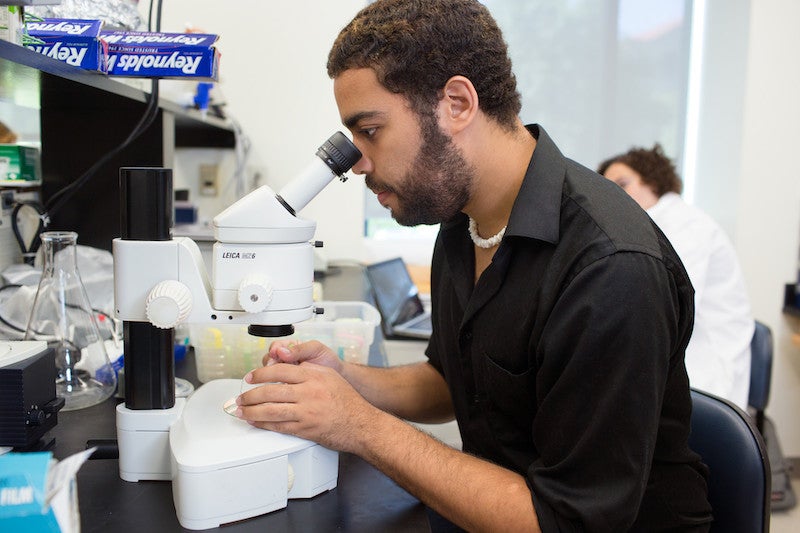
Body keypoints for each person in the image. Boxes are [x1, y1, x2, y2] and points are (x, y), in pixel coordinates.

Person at [235, 1, 712, 531]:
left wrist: (359, 425)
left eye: (370, 131)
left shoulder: (609, 271)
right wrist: (347, 380)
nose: (360, 162)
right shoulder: (464, 220)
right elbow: (452, 380)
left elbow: (566, 520)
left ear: (458, 104)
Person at [598, 144, 754, 411]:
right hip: (679, 358)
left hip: (708, 372)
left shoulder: (686, 225)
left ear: (653, 182)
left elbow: (663, 304)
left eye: (622, 184)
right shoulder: (649, 226)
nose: (614, 194)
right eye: (606, 188)